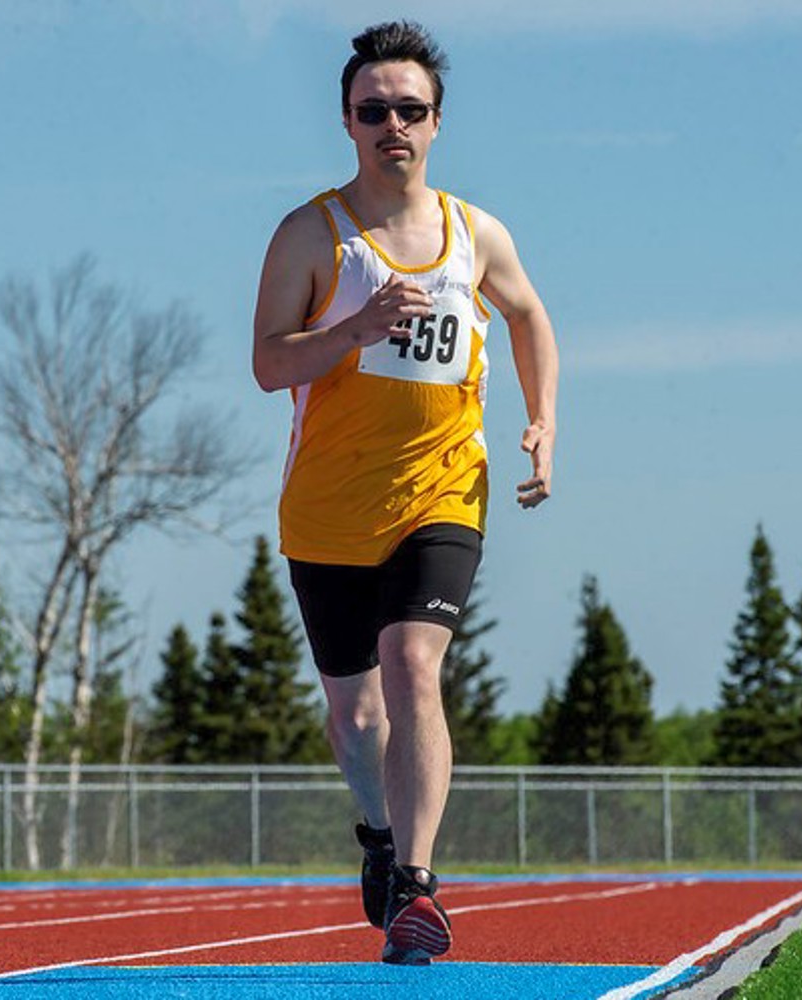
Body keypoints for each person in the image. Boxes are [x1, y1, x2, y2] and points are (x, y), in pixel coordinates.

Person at [251, 20, 560, 965]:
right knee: (356, 714)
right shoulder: (312, 235)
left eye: (410, 110)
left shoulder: (477, 233)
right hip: (330, 508)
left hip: (443, 492)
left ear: (437, 122)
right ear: (347, 122)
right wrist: (356, 327)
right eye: (373, 110)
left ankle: (419, 887)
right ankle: (381, 838)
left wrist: (544, 420)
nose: (393, 125)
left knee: (414, 665)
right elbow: (268, 364)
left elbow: (530, 315)